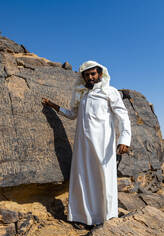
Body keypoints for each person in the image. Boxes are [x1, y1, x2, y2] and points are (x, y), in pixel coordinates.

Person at [42, 61, 131, 227]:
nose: (90, 77)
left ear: (99, 74)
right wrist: (53, 106)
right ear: (83, 77)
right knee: (82, 179)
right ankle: (84, 218)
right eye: (87, 75)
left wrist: (124, 139)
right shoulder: (82, 96)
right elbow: (71, 115)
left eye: (93, 74)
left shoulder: (109, 92)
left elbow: (123, 116)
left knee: (104, 179)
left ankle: (107, 218)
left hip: (103, 146)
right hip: (83, 147)